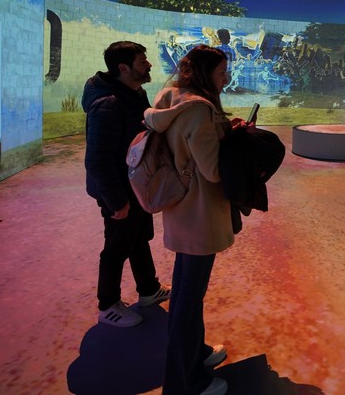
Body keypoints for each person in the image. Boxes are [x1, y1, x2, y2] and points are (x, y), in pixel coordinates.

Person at [144, 44, 242, 395]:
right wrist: (233, 138)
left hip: (181, 210)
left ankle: (195, 353)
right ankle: (187, 381)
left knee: (187, 290)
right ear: (205, 74)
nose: (226, 79)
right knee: (188, 299)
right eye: (221, 73)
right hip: (200, 213)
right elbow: (213, 170)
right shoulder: (199, 110)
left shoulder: (171, 97)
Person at [82, 41, 171, 328]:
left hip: (136, 185)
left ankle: (148, 289)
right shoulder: (107, 105)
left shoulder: (135, 94)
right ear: (123, 68)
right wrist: (117, 201)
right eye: (142, 61)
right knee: (116, 247)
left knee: (138, 238)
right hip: (118, 191)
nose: (148, 64)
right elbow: (97, 160)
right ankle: (108, 305)